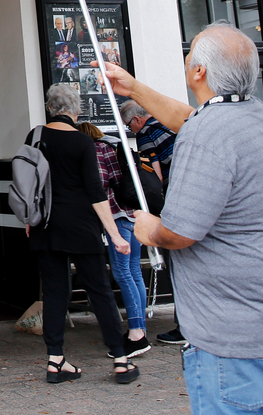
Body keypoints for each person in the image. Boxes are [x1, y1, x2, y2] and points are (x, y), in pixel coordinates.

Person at [105, 24, 263, 415]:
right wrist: (133, 88)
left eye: (190, 55)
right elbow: (191, 118)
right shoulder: (253, 115)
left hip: (237, 342)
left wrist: (148, 228)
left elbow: (180, 232)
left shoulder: (208, 135)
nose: (187, 59)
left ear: (199, 72)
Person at [28, 84, 138, 385]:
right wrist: (115, 234)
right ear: (76, 110)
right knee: (99, 291)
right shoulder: (82, 142)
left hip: (44, 225)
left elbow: (29, 182)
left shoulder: (35, 137)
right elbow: (96, 193)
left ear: (50, 108)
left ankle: (55, 360)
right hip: (80, 227)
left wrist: (28, 219)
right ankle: (120, 359)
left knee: (54, 293)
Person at [81, 121, 150, 358]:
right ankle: (140, 328)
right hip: (133, 215)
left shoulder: (96, 150)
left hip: (116, 216)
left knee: (122, 274)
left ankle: (136, 334)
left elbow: (100, 182)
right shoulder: (116, 146)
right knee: (135, 273)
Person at [120, 100, 182, 345]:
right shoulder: (170, 123)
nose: (130, 130)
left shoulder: (146, 134)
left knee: (178, 265)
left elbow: (154, 178)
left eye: (128, 126)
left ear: (136, 120)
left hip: (174, 200)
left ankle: (185, 327)